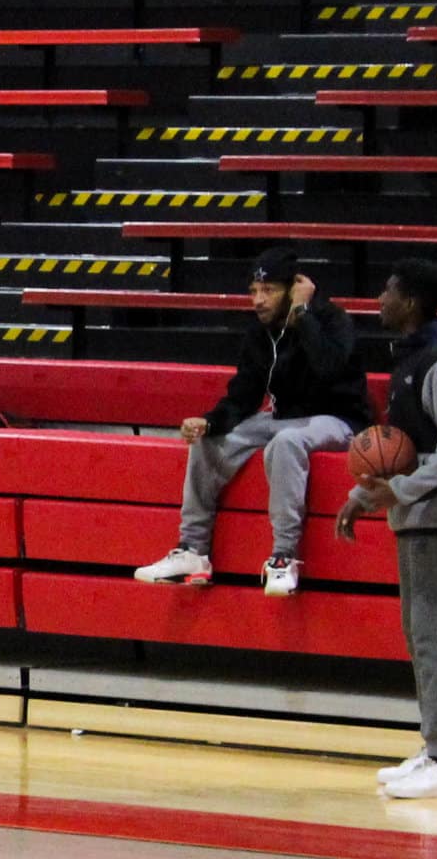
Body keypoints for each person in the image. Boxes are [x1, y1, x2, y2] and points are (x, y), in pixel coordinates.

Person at [135, 247, 367, 597]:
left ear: (294, 289)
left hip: (338, 420)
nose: (258, 300)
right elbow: (243, 394)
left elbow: (329, 368)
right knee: (208, 443)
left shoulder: (332, 319)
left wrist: (303, 315)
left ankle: (283, 556)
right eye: (253, 291)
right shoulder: (260, 334)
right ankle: (193, 551)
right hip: (282, 418)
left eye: (268, 290)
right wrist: (209, 422)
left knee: (286, 442)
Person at [339, 258, 437, 801]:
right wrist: (362, 495)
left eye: (387, 291)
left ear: (411, 303)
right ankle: (432, 746)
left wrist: (399, 492)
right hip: (422, 513)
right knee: (418, 633)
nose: (379, 298)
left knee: (432, 635)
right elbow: (398, 446)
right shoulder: (409, 357)